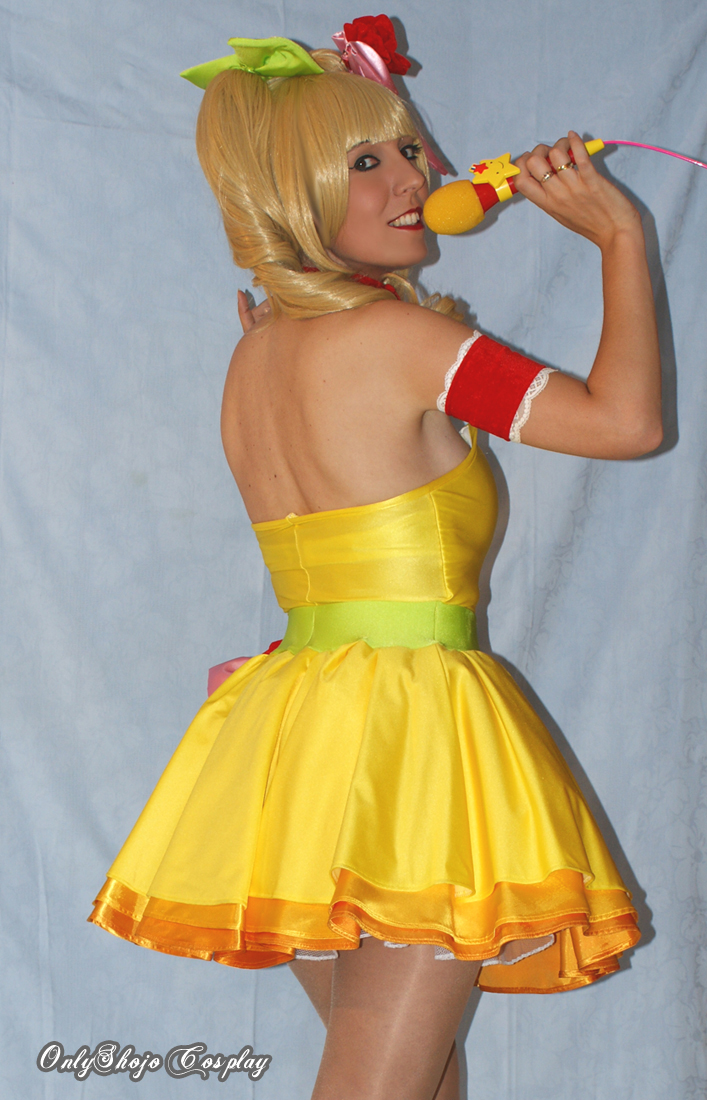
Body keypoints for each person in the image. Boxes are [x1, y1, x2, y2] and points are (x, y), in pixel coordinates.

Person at [89, 18, 661, 1100]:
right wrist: (619, 238)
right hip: (409, 744)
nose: (413, 178)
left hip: (293, 741)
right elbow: (626, 423)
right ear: (289, 187)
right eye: (365, 161)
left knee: (418, 1078)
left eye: (406, 147)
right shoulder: (403, 346)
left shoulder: (255, 353)